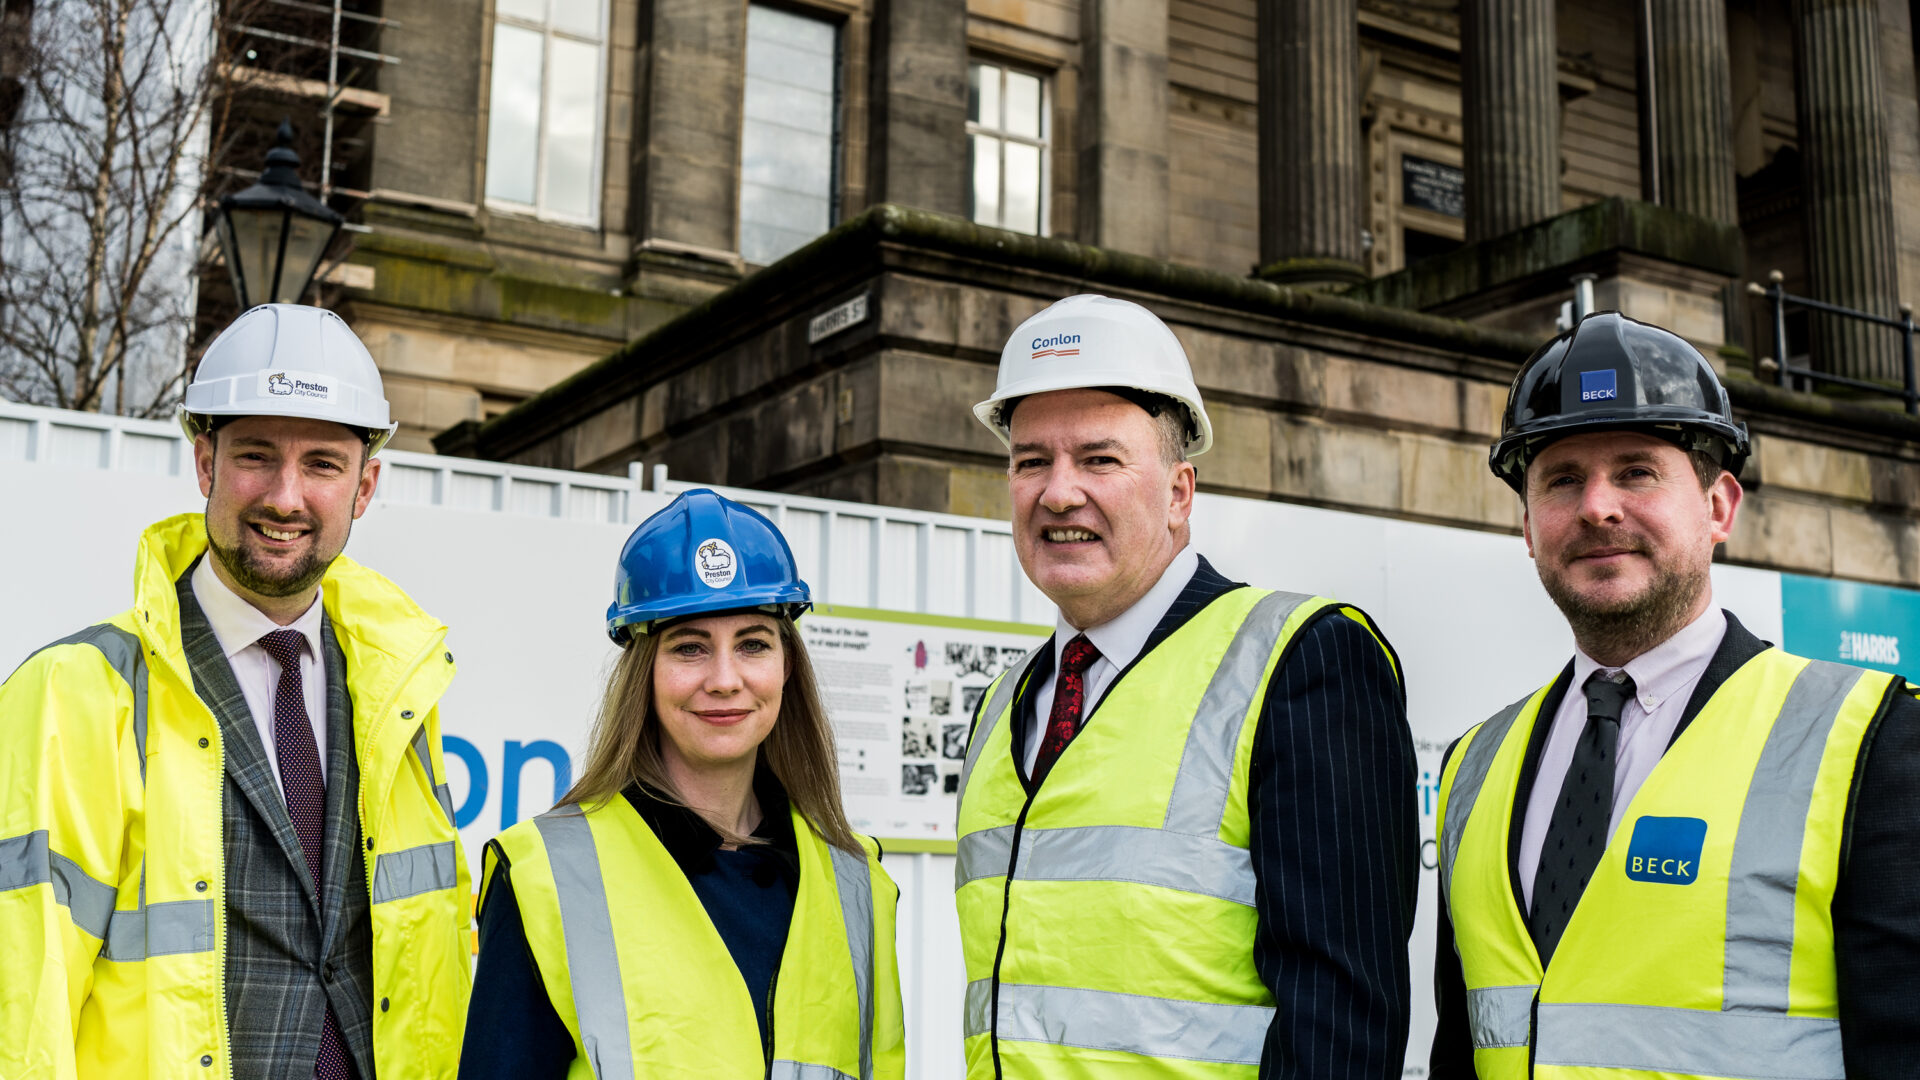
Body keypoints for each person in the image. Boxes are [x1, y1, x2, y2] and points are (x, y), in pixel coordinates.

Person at [1429, 312, 1920, 1079]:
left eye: (1636, 471)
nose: (1597, 507)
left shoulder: (1871, 736)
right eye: (1562, 479)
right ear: (1528, 523)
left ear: (1720, 507)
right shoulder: (1472, 768)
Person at [954, 294, 1419, 1079]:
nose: (1058, 492)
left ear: (1179, 492)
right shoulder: (1003, 706)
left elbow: (1342, 1030)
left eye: (1099, 459)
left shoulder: (1301, 661)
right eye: (1032, 460)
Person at [0, 304, 472, 1078]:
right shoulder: (76, 692)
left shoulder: (401, 692)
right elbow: (22, 997)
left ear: (365, 486)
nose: (286, 497)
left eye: (322, 463)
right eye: (256, 456)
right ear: (205, 463)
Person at [461, 488, 905, 1080]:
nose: (725, 680)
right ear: (644, 671)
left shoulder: (858, 883)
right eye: (690, 648)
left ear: (787, 664)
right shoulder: (546, 875)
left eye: (752, 644)